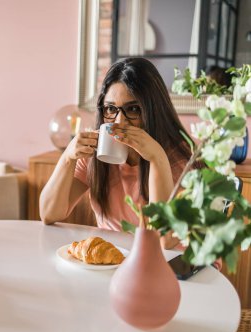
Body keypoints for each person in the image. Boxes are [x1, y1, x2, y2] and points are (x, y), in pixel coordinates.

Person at [39, 57, 199, 249]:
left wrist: (157, 158)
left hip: (173, 265)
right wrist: (67, 158)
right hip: (115, 261)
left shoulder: (182, 159)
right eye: (111, 109)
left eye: (132, 109)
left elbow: (163, 241)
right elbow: (49, 213)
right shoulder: (96, 155)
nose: (118, 122)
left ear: (153, 110)